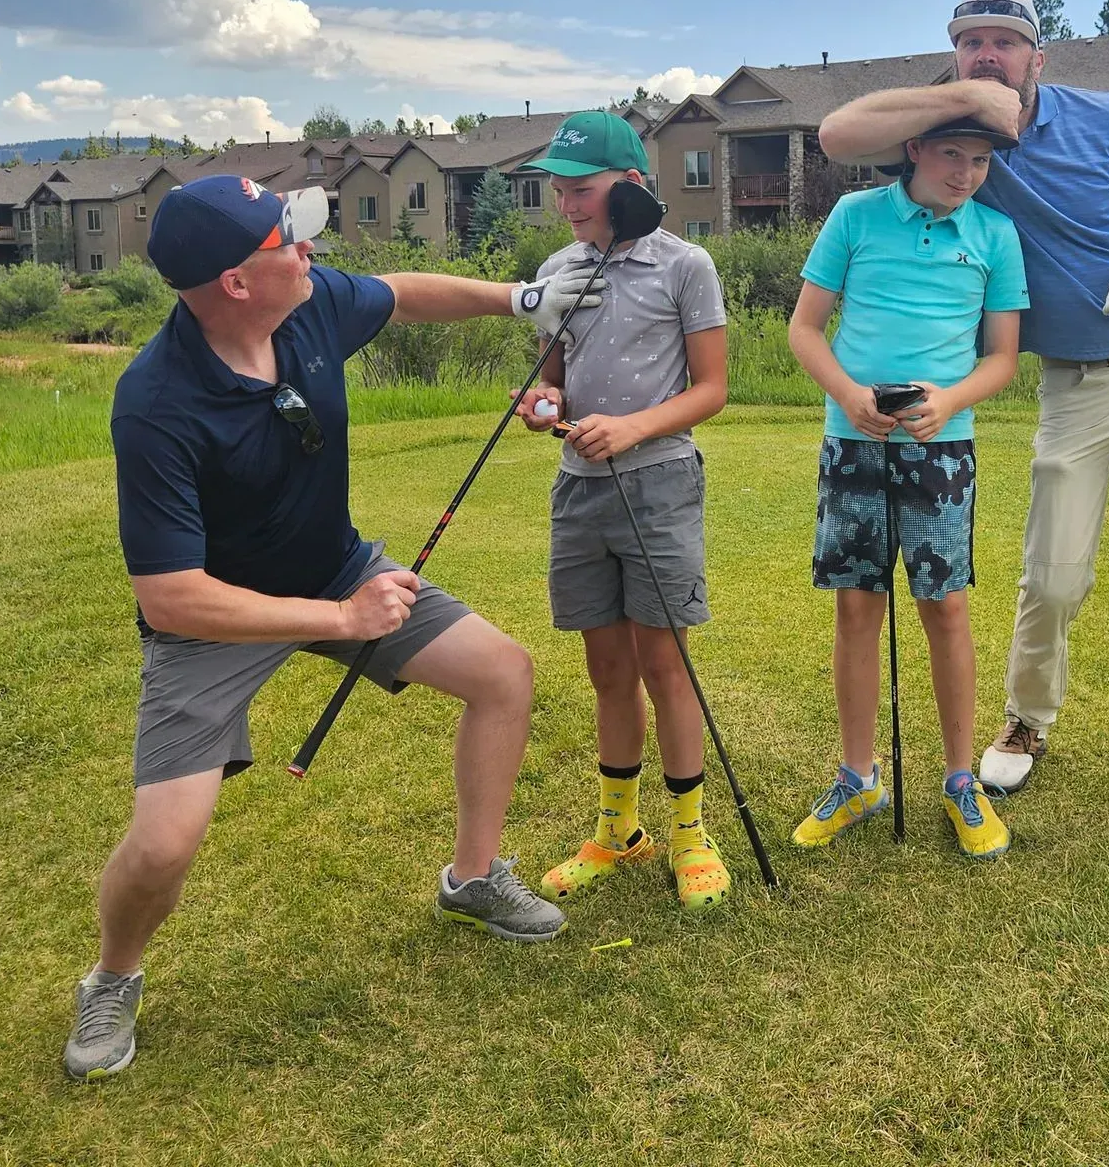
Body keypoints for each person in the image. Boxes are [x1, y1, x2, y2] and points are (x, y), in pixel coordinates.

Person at [66, 175, 600, 1082]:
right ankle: (113, 979)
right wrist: (341, 618)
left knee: (502, 673)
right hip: (216, 624)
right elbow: (170, 597)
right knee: (162, 844)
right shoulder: (155, 403)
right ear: (237, 282)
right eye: (291, 240)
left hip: (336, 570)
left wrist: (521, 299)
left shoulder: (305, 305)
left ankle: (473, 880)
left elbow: (401, 293)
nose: (311, 250)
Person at [817, 0, 1109, 855]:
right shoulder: (954, 146)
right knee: (1052, 575)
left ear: (1038, 60)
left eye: (1005, 43)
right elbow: (835, 137)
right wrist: (964, 104)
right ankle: (1025, 723)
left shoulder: (1105, 121)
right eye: (970, 42)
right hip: (1071, 384)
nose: (988, 53)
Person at [786, 118, 1028, 859]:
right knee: (858, 609)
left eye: (981, 160)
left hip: (942, 447)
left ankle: (962, 780)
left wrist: (951, 401)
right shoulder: (855, 216)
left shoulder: (996, 233)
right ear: (915, 150)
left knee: (945, 607)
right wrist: (850, 395)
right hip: (855, 442)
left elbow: (1004, 357)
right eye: (952, 154)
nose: (966, 173)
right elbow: (803, 329)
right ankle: (858, 777)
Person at [513, 112, 733, 913]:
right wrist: (542, 402)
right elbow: (553, 377)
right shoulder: (559, 268)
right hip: (579, 490)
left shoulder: (687, 266)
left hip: (661, 484)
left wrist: (634, 427)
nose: (568, 205)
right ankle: (619, 830)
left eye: (582, 190)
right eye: (559, 191)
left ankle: (689, 833)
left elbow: (712, 389)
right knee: (605, 670)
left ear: (631, 186)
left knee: (661, 665)